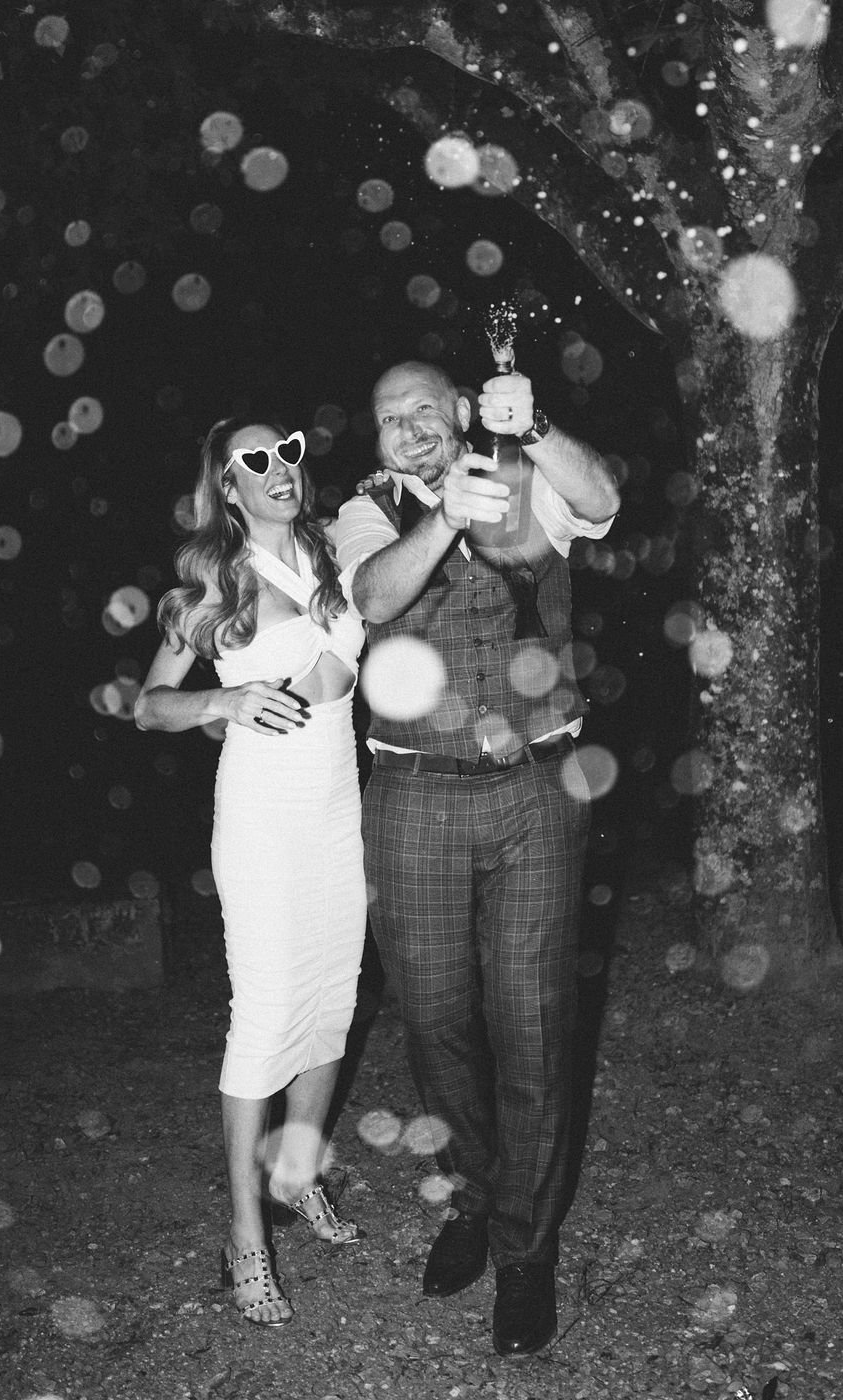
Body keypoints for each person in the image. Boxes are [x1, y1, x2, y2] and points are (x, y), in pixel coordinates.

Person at [333, 360, 620, 1358]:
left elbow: (602, 499)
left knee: (535, 1028)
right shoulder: (367, 512)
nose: (406, 427)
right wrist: (443, 517)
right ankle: (470, 1200)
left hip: (539, 789)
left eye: (422, 409)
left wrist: (534, 427)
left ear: (462, 410)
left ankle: (525, 1251)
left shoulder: (527, 470)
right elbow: (372, 596)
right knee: (436, 1021)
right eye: (386, 417)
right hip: (413, 794)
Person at [135, 418, 367, 1331]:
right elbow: (149, 707)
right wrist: (221, 699)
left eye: (290, 453)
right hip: (263, 824)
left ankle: (297, 1174)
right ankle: (245, 1236)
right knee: (267, 1015)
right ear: (227, 488)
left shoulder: (332, 557)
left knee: (333, 1005)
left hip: (336, 811)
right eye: (256, 462)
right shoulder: (213, 581)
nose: (281, 470)